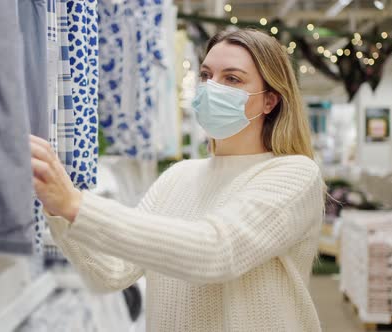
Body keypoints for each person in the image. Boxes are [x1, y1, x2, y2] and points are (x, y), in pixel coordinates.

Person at [30, 28, 325, 331]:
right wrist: (59, 210)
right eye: (206, 75)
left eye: (232, 79)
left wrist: (77, 204)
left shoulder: (295, 174)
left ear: (270, 101)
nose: (212, 88)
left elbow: (216, 251)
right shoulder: (178, 177)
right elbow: (112, 273)